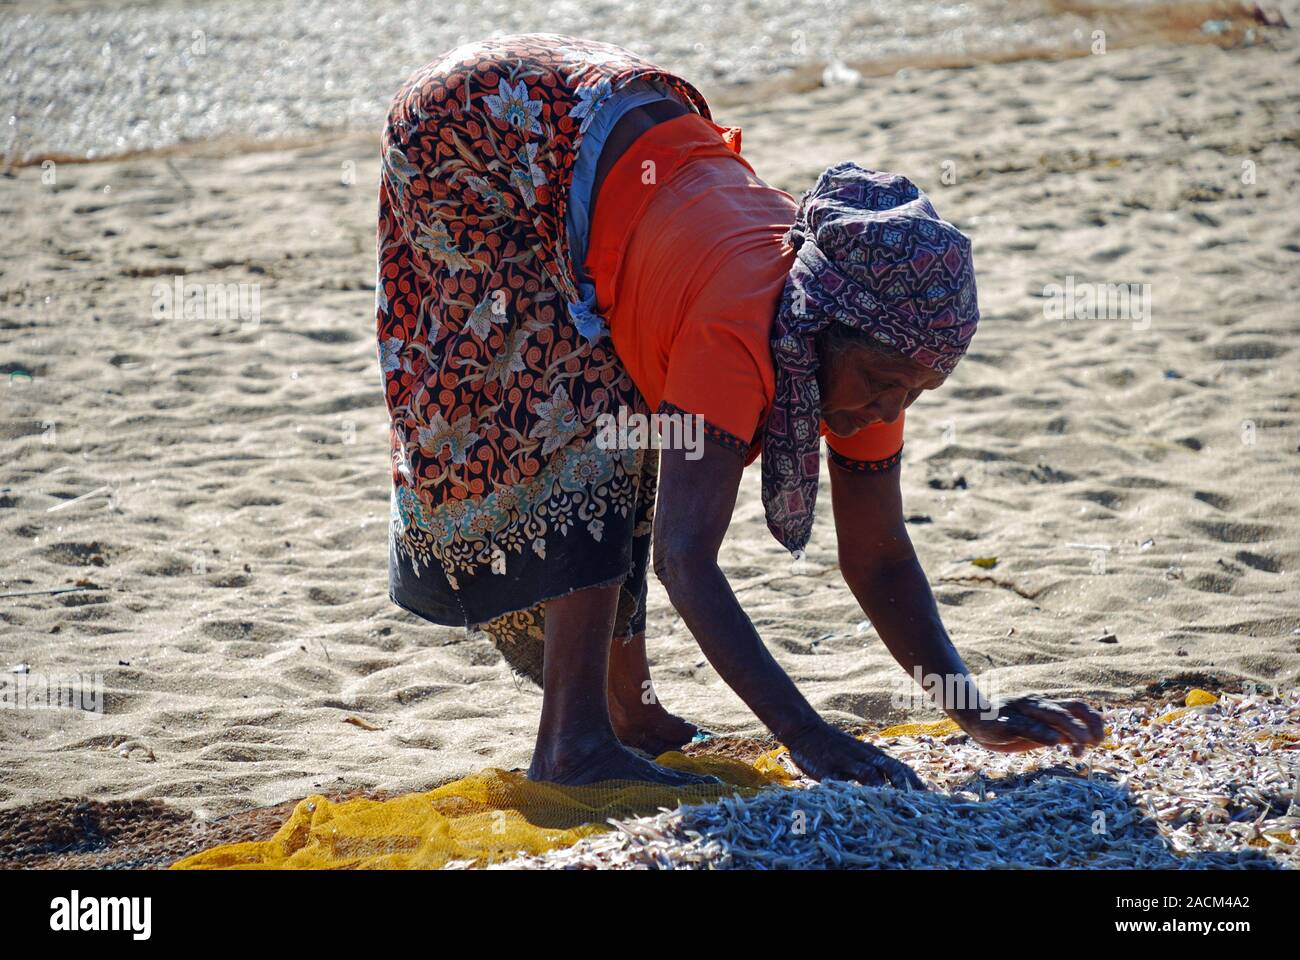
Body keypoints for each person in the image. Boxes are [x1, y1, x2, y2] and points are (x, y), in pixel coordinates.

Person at [376, 34, 1104, 788]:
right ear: (823, 325)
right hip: (481, 129)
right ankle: (575, 742)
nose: (886, 409)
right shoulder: (741, 327)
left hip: (622, 132)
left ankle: (629, 713)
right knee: (593, 419)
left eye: (916, 393)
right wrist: (808, 738)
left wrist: (973, 710)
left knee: (639, 409)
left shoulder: (879, 352)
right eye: (884, 384)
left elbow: (878, 552)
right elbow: (685, 560)